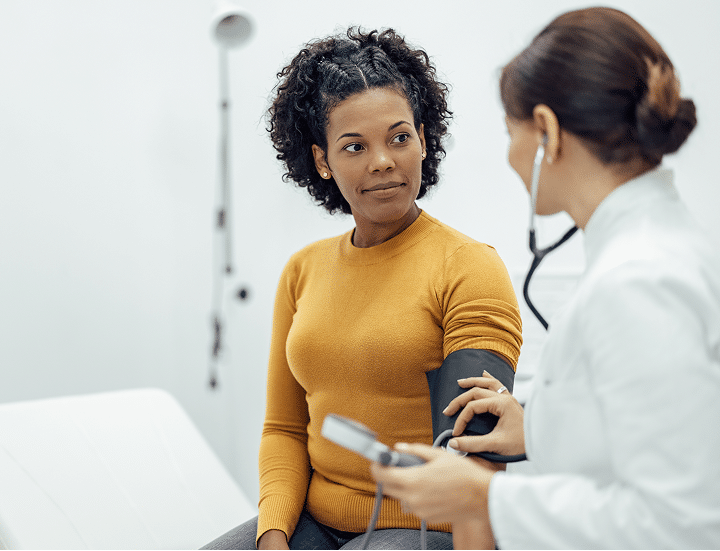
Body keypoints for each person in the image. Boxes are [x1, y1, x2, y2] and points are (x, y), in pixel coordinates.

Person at [370, 7, 720, 549]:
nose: (510, 155)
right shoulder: (656, 252)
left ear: (547, 131)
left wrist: (485, 498)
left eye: (511, 132)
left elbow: (687, 526)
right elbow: (657, 435)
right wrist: (539, 429)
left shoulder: (639, 283)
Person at [203, 28, 522, 550]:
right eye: (355, 146)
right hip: (314, 520)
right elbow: (284, 429)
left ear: (423, 139)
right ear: (323, 161)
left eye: (399, 138)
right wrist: (273, 535)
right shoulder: (302, 271)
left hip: (423, 525)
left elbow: (473, 456)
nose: (382, 161)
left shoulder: (469, 267)